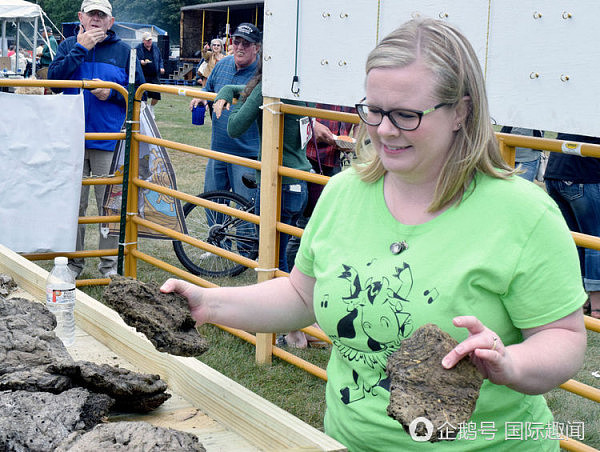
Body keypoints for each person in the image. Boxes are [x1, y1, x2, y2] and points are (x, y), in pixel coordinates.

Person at [162, 18, 587, 450]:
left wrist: (510, 363)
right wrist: (209, 303)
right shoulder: (345, 192)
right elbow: (301, 297)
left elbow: (565, 338)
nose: (384, 129)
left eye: (406, 114)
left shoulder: (522, 214)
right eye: (374, 110)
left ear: (462, 111)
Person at [49, 0, 145, 278]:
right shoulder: (68, 46)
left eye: (101, 15)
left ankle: (108, 267)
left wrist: (114, 93)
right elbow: (54, 81)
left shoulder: (125, 51)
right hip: (71, 138)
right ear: (81, 17)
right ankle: (71, 264)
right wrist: (81, 49)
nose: (95, 19)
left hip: (108, 140)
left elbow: (140, 91)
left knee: (109, 206)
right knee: (73, 205)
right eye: (91, 14)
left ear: (110, 22)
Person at [213, 57, 311, 273]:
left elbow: (234, 127)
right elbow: (242, 87)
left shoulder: (267, 88)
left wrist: (238, 102)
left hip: (278, 184)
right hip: (300, 182)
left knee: (273, 260)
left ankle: (280, 304)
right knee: (282, 253)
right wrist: (228, 89)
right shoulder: (302, 87)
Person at [189, 23, 261, 201]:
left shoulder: (264, 70)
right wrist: (203, 97)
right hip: (218, 150)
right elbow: (208, 87)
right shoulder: (223, 65)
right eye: (236, 42)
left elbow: (262, 92)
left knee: (247, 214)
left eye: (246, 43)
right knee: (212, 206)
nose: (240, 47)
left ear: (257, 48)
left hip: (247, 155)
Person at [545, 133, 600, 319]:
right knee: (595, 240)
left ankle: (580, 301)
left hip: (555, 172)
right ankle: (597, 307)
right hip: (585, 174)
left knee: (574, 240)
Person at [136, 31, 164, 117]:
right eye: (148, 40)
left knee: (156, 95)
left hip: (154, 75)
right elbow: (134, 59)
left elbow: (160, 59)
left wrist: (161, 67)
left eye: (150, 40)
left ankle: (151, 108)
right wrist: (141, 62)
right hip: (143, 75)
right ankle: (144, 111)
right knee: (143, 95)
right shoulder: (138, 48)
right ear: (143, 40)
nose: (149, 42)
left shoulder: (155, 48)